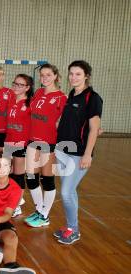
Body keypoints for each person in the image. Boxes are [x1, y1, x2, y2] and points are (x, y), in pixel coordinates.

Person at [54, 60, 102, 244]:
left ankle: (74, 230)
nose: (73, 77)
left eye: (78, 74)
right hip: (62, 150)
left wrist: (88, 154)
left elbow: (94, 128)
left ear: (86, 76)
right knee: (70, 191)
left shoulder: (93, 98)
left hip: (79, 153)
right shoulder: (71, 96)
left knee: (66, 193)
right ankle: (69, 227)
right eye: (71, 74)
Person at [24, 64, 67, 228]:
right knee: (31, 177)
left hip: (49, 142)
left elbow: (67, 121)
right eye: (42, 75)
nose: (44, 78)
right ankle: (40, 210)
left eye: (48, 75)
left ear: (55, 76)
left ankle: (44, 215)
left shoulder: (61, 98)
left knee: (47, 179)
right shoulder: (38, 93)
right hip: (32, 140)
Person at [4, 74, 34, 217]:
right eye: (15, 83)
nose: (16, 86)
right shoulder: (11, 99)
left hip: (22, 144)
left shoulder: (30, 104)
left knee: (18, 176)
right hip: (9, 142)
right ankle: (12, 201)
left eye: (20, 85)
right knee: (7, 173)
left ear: (27, 88)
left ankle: (16, 205)